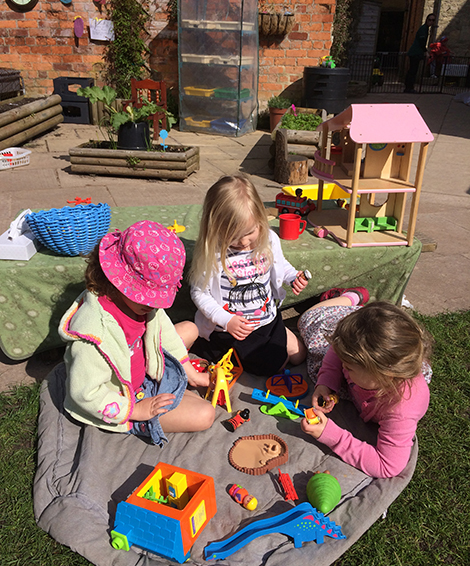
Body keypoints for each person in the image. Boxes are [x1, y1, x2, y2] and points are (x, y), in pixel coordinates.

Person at [58, 220, 215, 447]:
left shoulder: (139, 304)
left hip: (140, 371)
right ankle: (133, 423)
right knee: (204, 414)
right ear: (117, 281)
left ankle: (170, 385)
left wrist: (191, 373)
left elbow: (165, 333)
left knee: (190, 328)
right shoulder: (93, 336)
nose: (153, 305)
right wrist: (135, 410)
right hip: (121, 396)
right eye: (148, 297)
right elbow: (84, 393)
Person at [189, 174, 308, 377]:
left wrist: (292, 277)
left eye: (250, 232)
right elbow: (199, 293)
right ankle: (214, 349)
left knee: (300, 356)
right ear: (215, 229)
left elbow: (281, 264)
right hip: (232, 331)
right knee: (272, 368)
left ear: (260, 220)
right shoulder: (214, 252)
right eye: (234, 237)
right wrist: (226, 320)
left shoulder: (269, 239)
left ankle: (274, 341)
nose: (244, 242)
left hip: (267, 320)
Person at [298, 297, 432, 479]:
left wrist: (330, 433)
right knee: (312, 325)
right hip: (358, 329)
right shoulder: (360, 358)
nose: (343, 367)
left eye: (349, 367)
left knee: (307, 320)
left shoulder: (401, 409)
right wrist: (327, 382)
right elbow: (336, 351)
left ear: (382, 373)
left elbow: (387, 466)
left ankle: (349, 298)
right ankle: (351, 299)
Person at [404, 13, 436, 93]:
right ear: (427, 20)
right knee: (413, 70)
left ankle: (409, 86)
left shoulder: (425, 29)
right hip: (415, 52)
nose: (431, 22)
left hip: (416, 52)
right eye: (430, 20)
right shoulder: (423, 29)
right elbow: (421, 42)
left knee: (413, 70)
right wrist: (426, 52)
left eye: (433, 20)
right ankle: (409, 87)